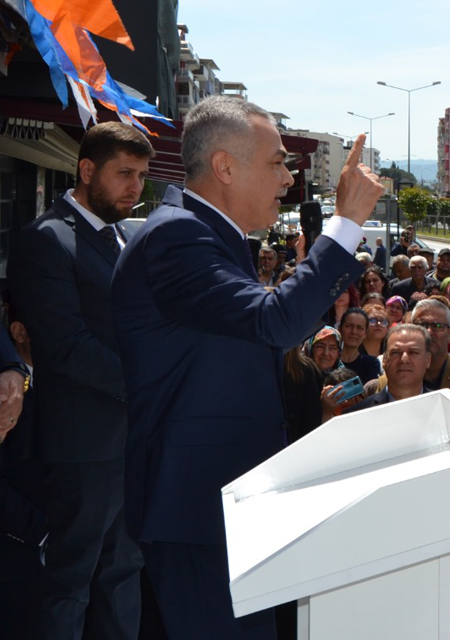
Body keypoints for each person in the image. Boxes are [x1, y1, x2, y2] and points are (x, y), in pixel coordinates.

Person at [111, 97, 384, 637]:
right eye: (277, 162)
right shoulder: (177, 235)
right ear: (225, 167)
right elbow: (276, 322)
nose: (288, 178)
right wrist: (347, 223)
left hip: (222, 503)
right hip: (196, 508)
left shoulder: (212, 236)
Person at [9, 120, 153, 639]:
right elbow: (66, 348)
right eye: (124, 174)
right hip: (81, 449)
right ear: (87, 169)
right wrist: (147, 382)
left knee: (122, 576)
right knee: (69, 583)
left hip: (129, 441)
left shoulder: (126, 236)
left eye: (141, 175)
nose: (135, 187)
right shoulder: (45, 240)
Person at [346, 324, 432, 411]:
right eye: (396, 352)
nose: (404, 359)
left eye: (413, 352)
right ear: (384, 360)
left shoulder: (444, 407)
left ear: (428, 360)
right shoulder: (356, 415)